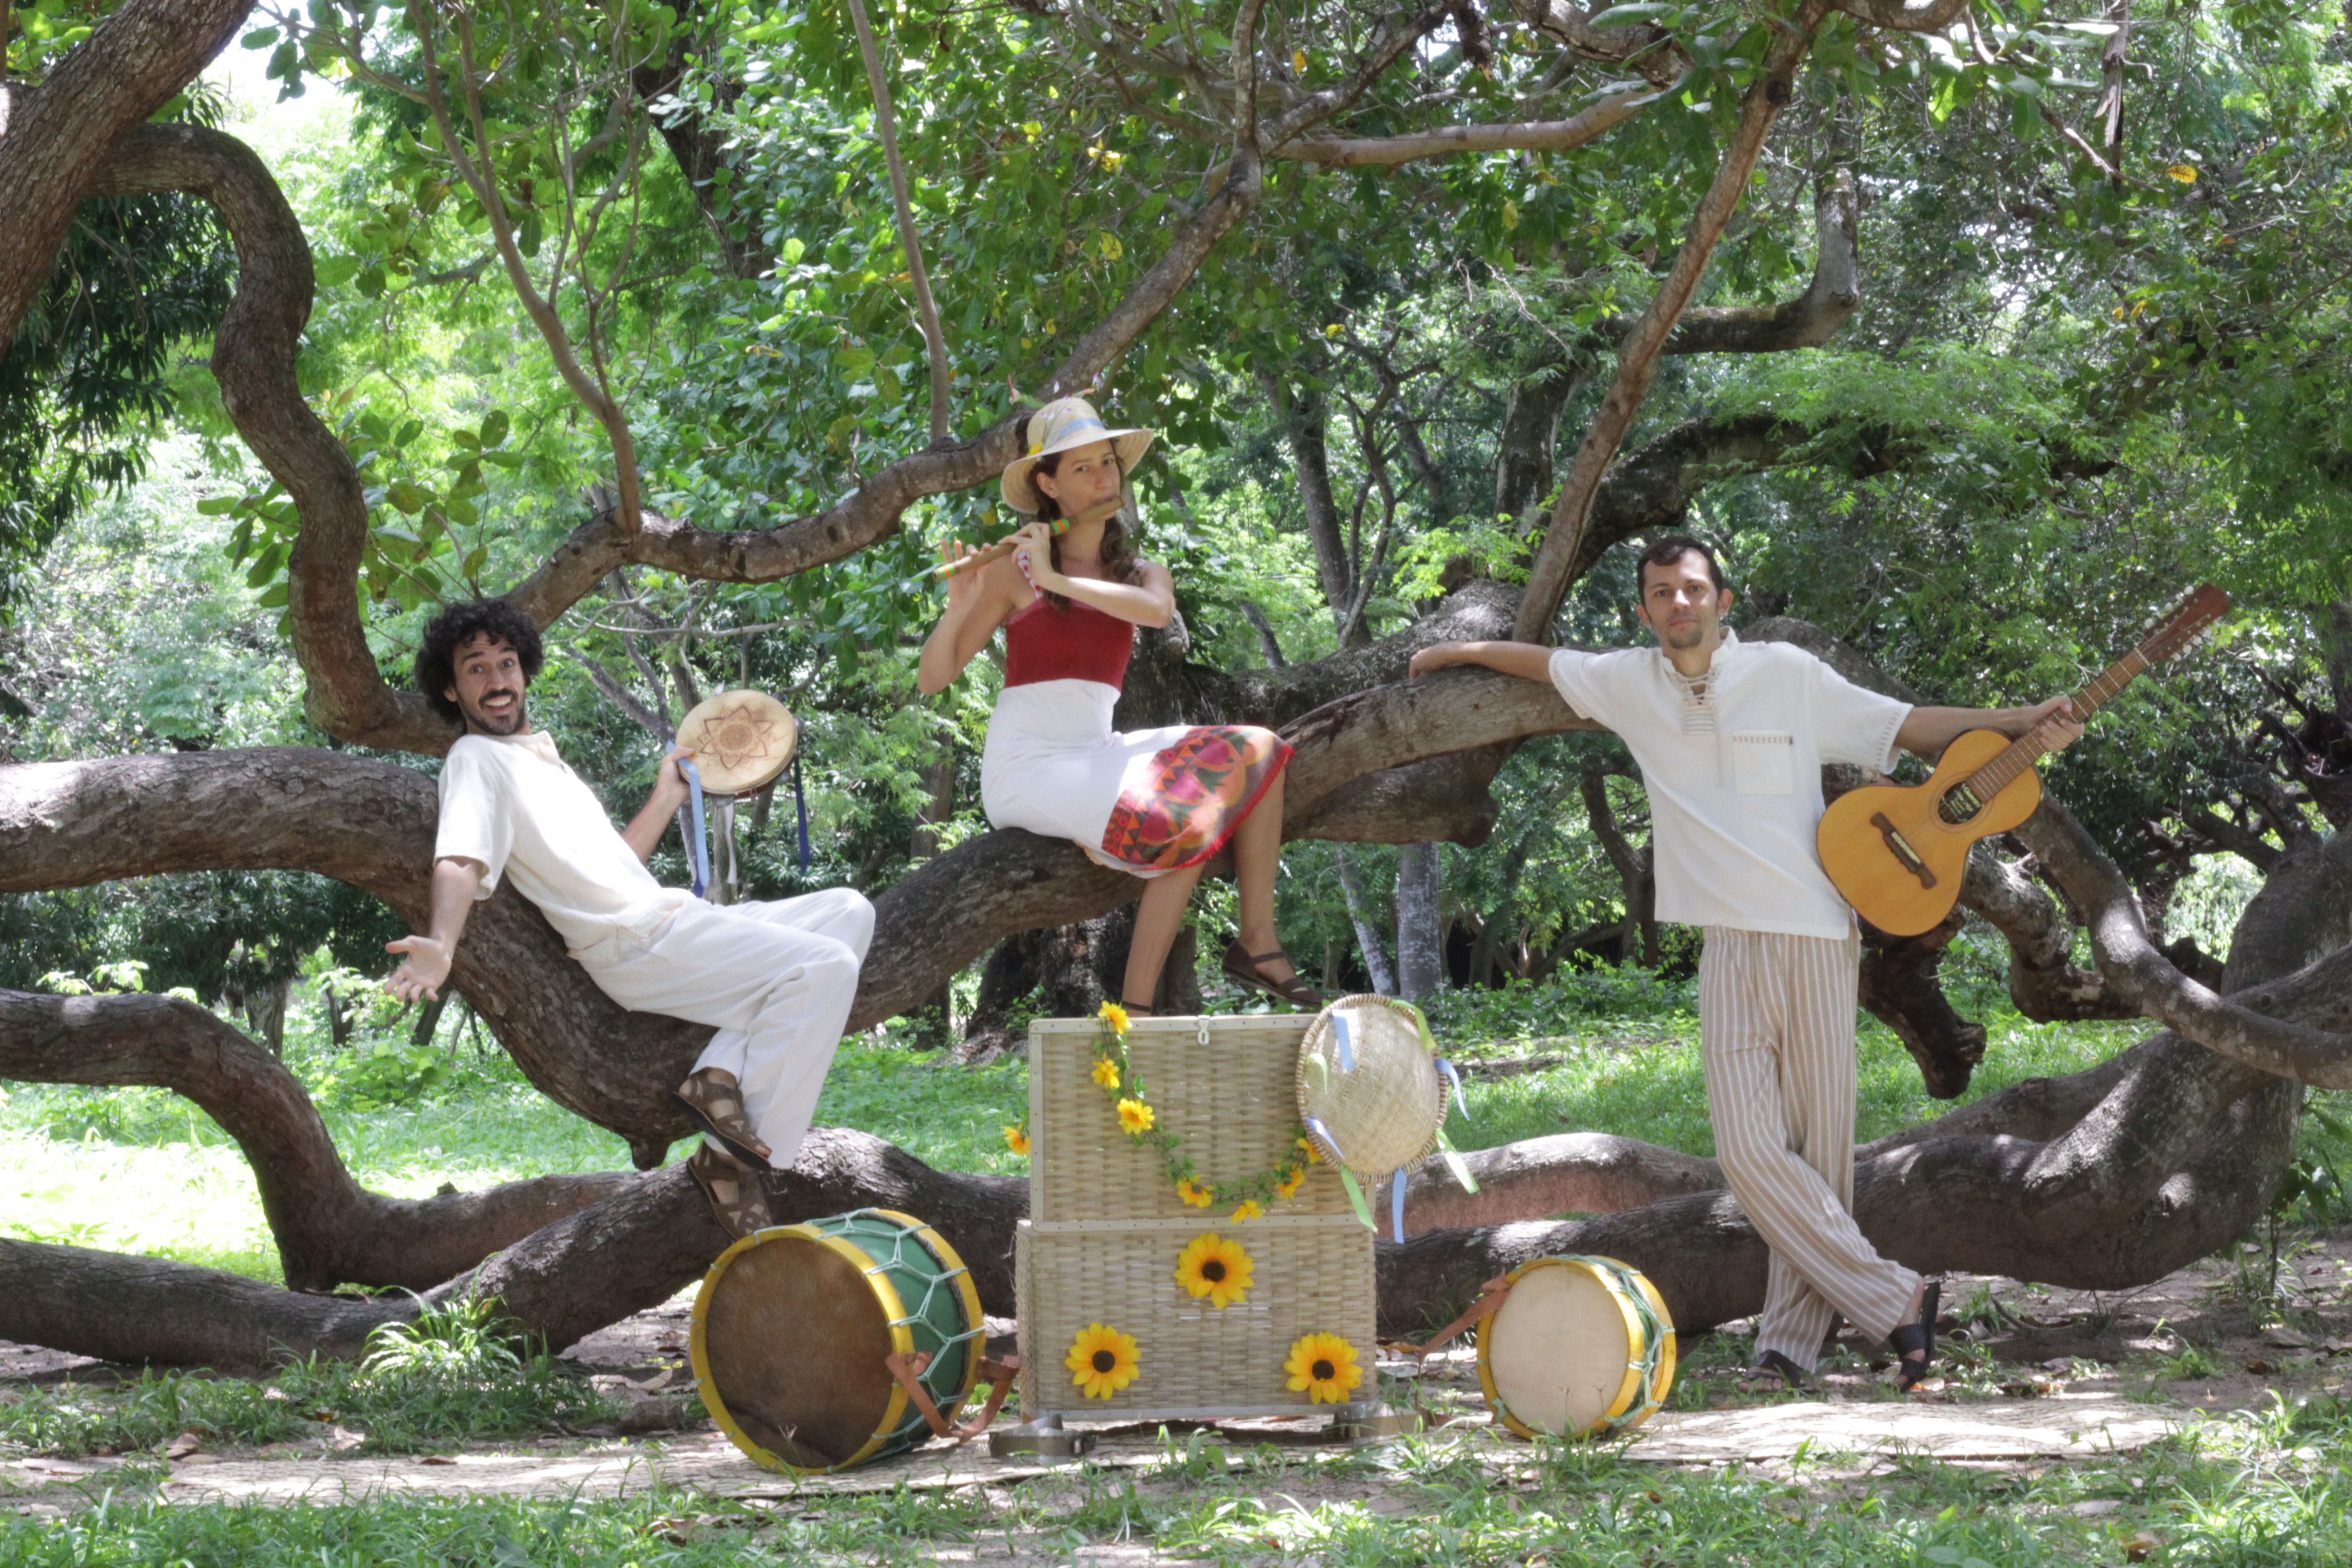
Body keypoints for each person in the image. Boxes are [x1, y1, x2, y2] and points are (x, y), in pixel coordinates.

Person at [1408, 536, 2084, 1389]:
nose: (1678, 604)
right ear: (1647, 610)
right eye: (1661, 593)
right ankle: (1896, 1299)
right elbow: (1544, 662)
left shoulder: (1786, 673)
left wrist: (2021, 721)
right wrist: (1462, 647)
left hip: (1812, 932)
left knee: (1817, 1149)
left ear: (1722, 603)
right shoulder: (1629, 684)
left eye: (1692, 589)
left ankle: (1791, 1345)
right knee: (1751, 1152)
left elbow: (1907, 728)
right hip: (1725, 944)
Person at [384, 598, 874, 1239]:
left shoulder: (539, 758)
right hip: (636, 944)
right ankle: (735, 1162)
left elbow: (616, 864)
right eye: (476, 669)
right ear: (451, 689)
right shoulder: (476, 761)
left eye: (508, 663)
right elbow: (459, 856)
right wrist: (442, 944)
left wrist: (669, 793)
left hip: (665, 915)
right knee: (827, 967)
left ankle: (720, 1075)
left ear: (525, 672)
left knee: (849, 911)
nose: (498, 680)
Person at [917, 396, 1319, 1015]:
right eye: (1083, 469)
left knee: (1261, 749)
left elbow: (1157, 615)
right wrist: (957, 605)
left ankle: (1257, 942)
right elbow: (933, 679)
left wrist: (1056, 580)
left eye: (1108, 463)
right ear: (1047, 485)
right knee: (1182, 823)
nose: (1105, 478)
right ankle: (1137, 1012)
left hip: (1097, 751)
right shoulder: (1011, 573)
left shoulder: (1139, 574)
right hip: (1028, 765)